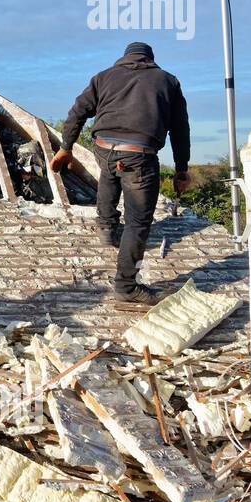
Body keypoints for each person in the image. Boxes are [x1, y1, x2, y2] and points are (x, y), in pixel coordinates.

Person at [52, 42, 192, 305]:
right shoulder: (167, 81)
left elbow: (77, 111)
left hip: (103, 148)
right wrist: (181, 169)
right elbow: (180, 130)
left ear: (124, 58)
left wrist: (65, 148)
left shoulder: (104, 77)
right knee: (138, 222)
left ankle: (106, 229)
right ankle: (127, 286)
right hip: (139, 154)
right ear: (151, 59)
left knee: (108, 174)